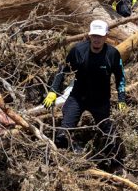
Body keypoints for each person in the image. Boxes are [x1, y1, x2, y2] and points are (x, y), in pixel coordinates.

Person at [43, 19, 127, 167]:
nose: (96, 39)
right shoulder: (78, 50)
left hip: (100, 101)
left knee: (110, 137)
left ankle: (114, 164)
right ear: (89, 35)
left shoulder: (112, 54)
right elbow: (63, 70)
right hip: (78, 97)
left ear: (106, 36)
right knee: (63, 134)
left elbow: (120, 77)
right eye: (94, 35)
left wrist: (121, 99)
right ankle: (62, 163)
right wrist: (53, 91)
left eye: (100, 36)